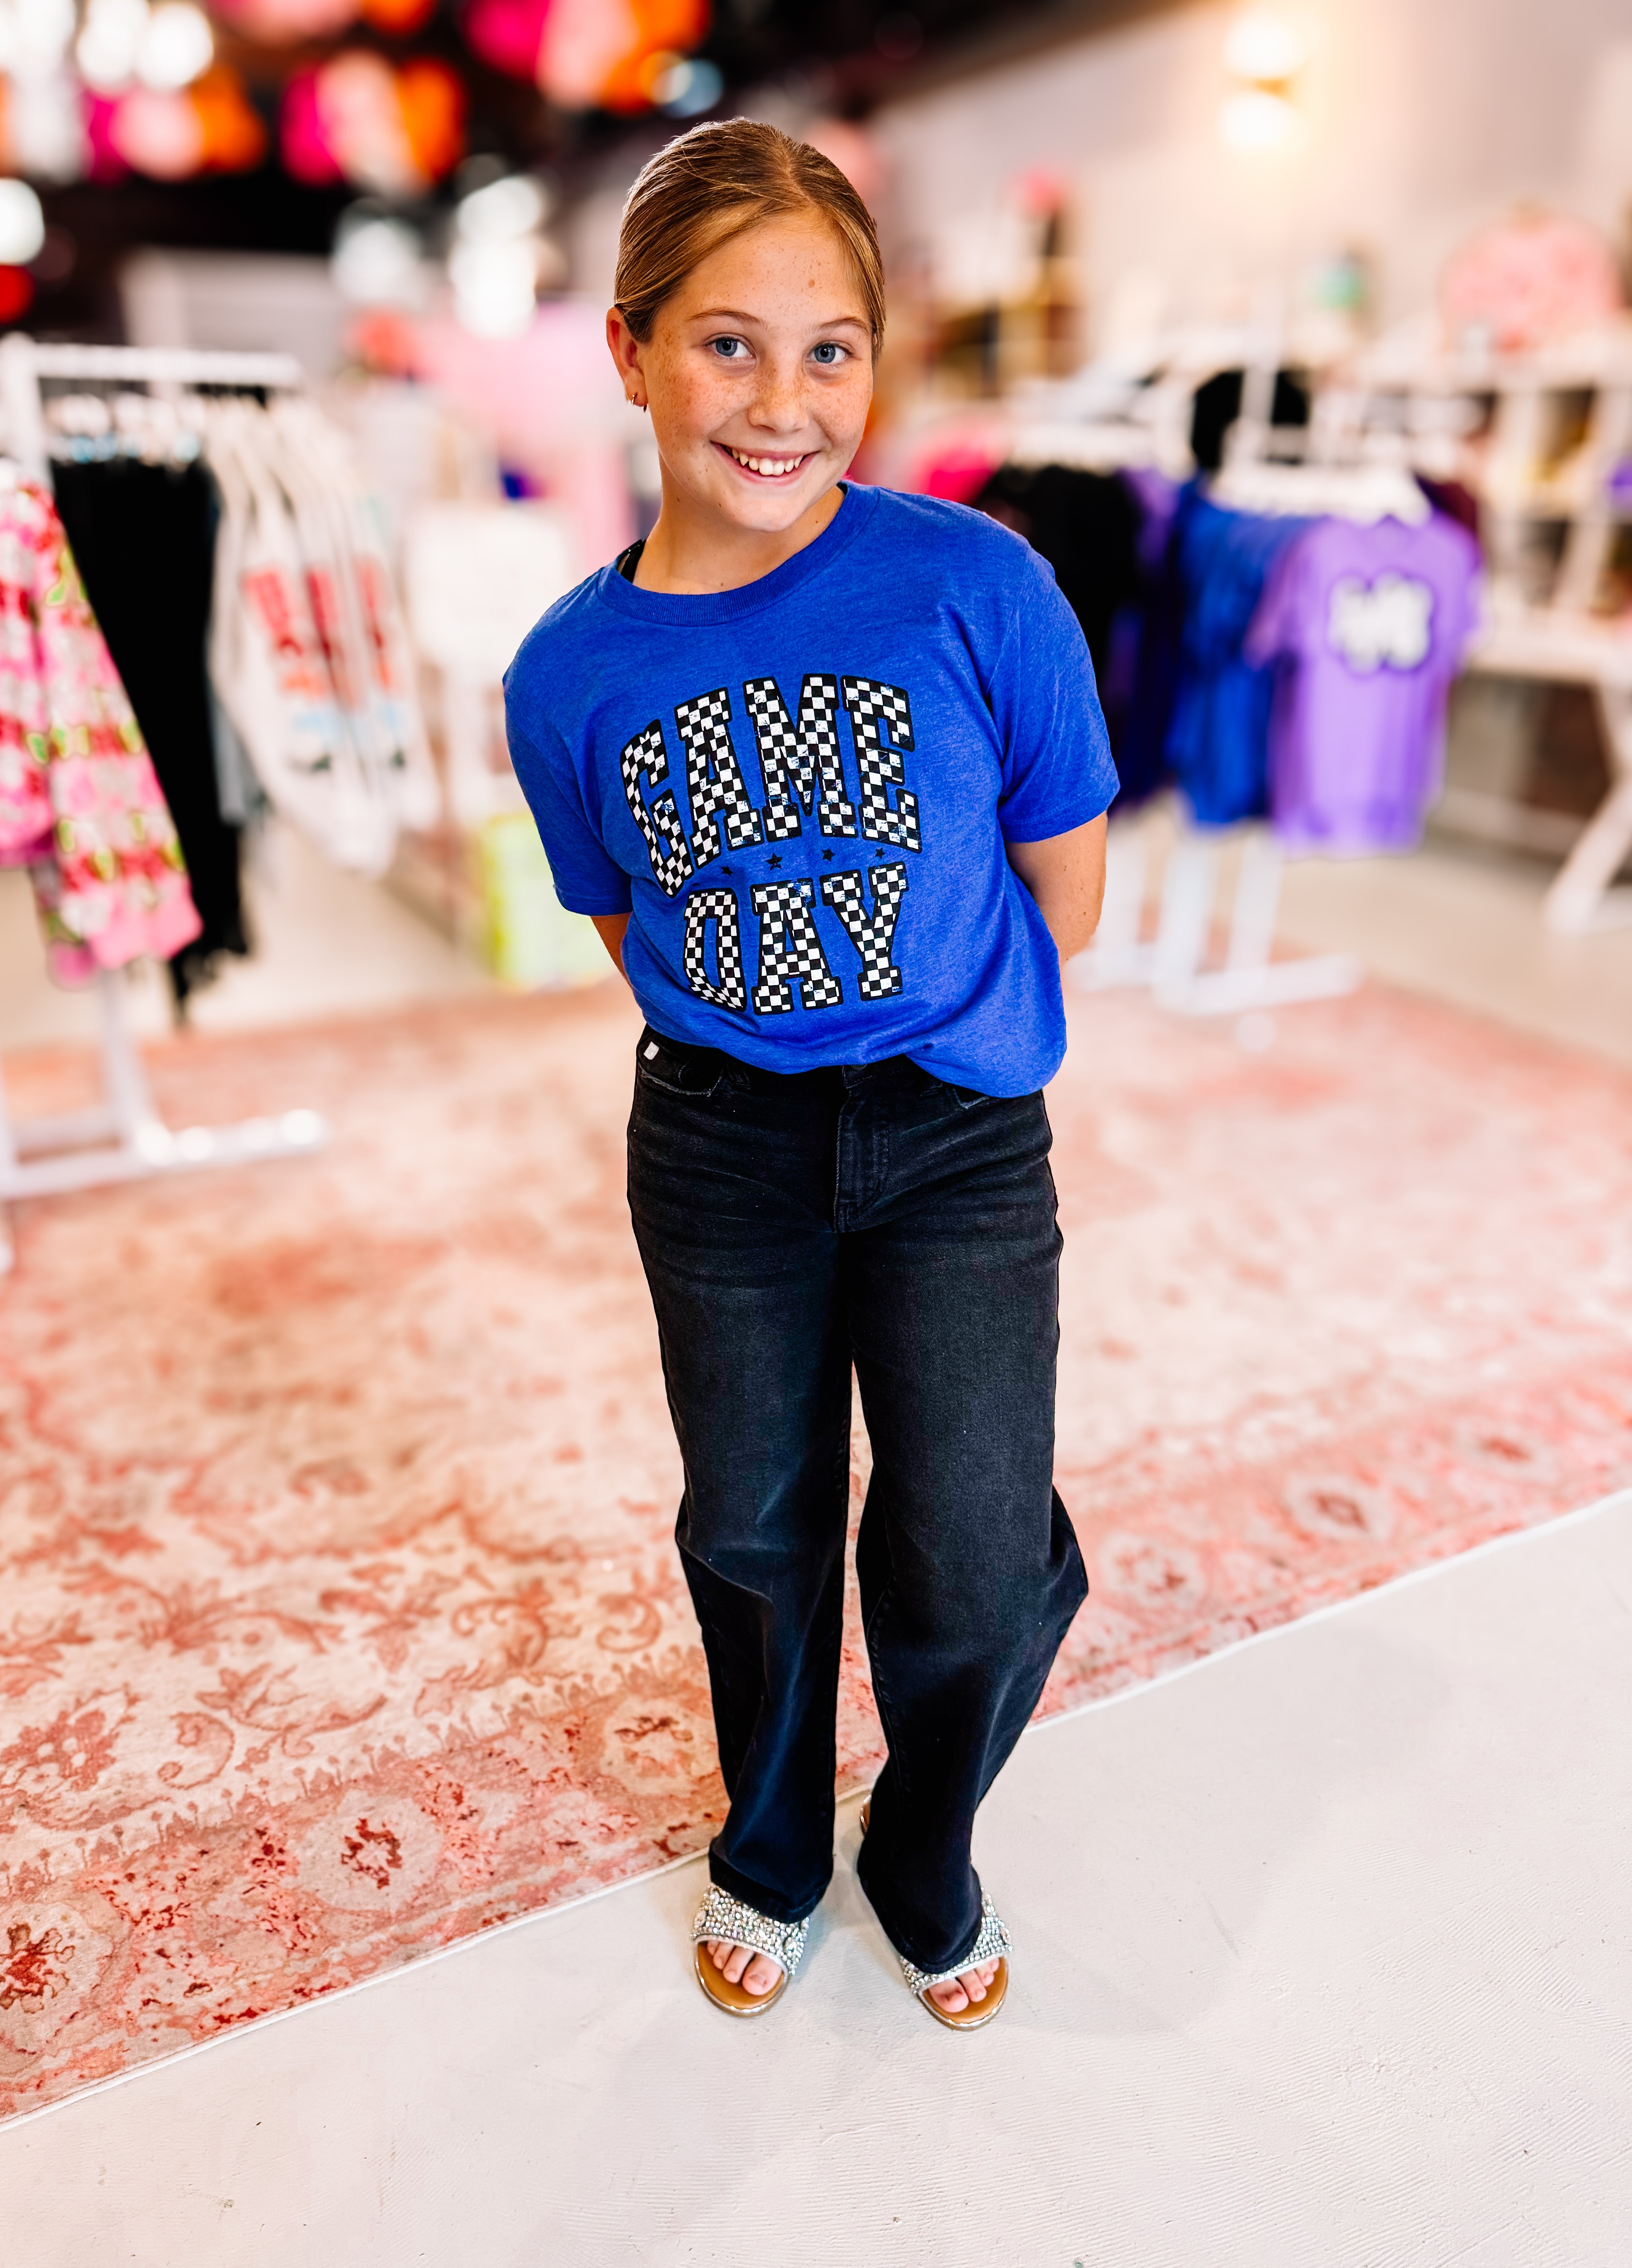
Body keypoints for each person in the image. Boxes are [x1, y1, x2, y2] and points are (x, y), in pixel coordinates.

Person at [504, 119, 1112, 2031]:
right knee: (753, 1529)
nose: (785, 402)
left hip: (956, 1140)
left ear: (877, 360)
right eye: (728, 344)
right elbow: (638, 935)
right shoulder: (563, 674)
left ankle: (922, 1842)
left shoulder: (980, 583)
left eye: (832, 347)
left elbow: (1063, 890)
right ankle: (769, 1847)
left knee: (976, 1543)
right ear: (630, 350)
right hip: (722, 1148)